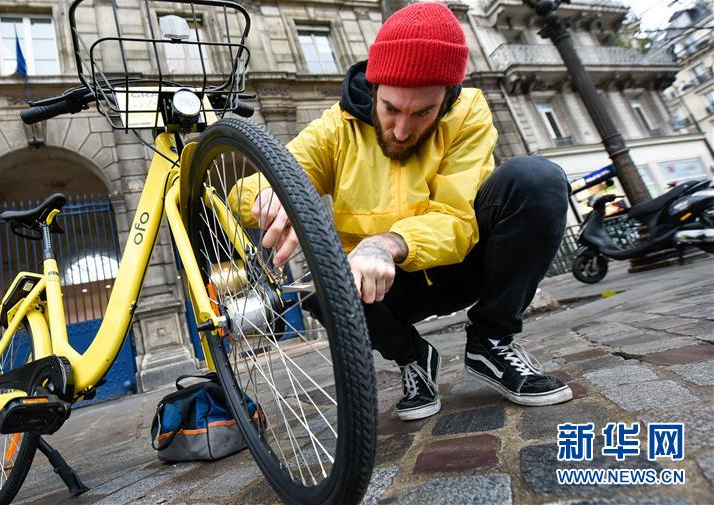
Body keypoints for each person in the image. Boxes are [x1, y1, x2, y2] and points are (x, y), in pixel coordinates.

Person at [232, 1, 573, 421]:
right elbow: (250, 187)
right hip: (383, 291)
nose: (401, 129)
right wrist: (268, 193)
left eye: (423, 112)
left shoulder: (469, 112)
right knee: (320, 287)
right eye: (391, 108)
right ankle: (412, 357)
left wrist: (386, 243)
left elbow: (454, 218)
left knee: (537, 178)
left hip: (462, 265)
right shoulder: (335, 128)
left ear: (446, 100)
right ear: (373, 89)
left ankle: (492, 341)